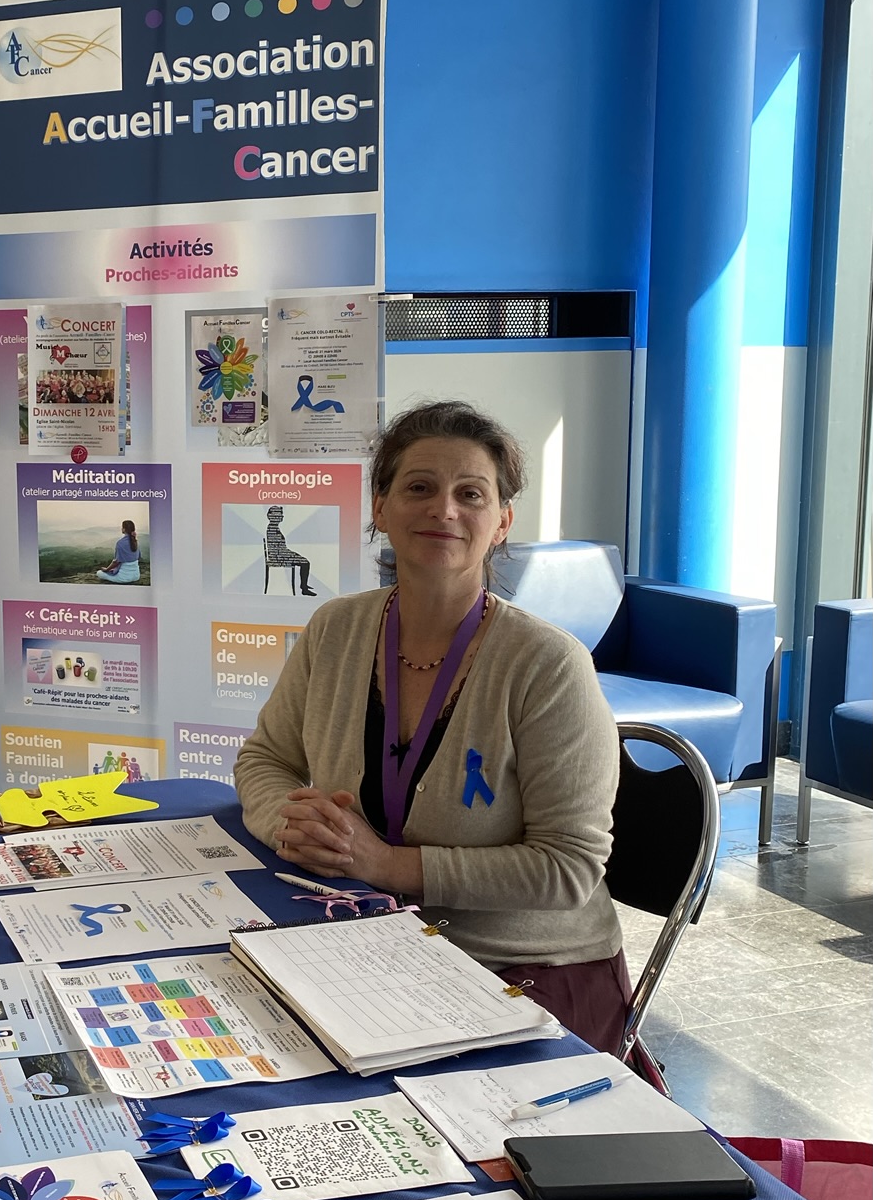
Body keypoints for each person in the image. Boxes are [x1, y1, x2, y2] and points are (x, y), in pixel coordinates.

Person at [234, 399, 627, 1053]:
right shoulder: (335, 628)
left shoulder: (549, 665)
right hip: (369, 938)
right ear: (380, 509)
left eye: (470, 493)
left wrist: (388, 864)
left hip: (525, 969)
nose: (443, 510)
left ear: (501, 522)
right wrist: (293, 824)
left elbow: (567, 868)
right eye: (419, 487)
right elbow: (264, 761)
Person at [264, 506, 316, 596]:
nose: (281, 517)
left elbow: (280, 547)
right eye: (278, 515)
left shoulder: (274, 528)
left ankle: (304, 586)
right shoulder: (272, 529)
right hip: (278, 557)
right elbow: (277, 549)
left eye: (281, 515)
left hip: (282, 555)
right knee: (305, 562)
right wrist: (290, 555)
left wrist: (291, 554)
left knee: (304, 561)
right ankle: (304, 588)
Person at [97, 519, 141, 584]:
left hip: (124, 578)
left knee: (99, 573)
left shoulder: (120, 543)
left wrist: (107, 569)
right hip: (136, 576)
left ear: (124, 529)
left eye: (122, 527)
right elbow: (138, 557)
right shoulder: (135, 541)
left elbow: (116, 562)